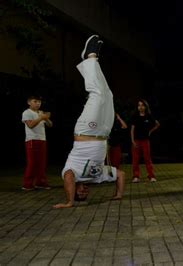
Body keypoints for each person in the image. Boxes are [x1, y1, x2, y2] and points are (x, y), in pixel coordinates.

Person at [53, 34, 125, 209]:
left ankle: (90, 57)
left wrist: (70, 201)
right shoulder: (98, 176)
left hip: (86, 130)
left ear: (75, 189)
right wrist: (118, 195)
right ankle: (93, 60)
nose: (84, 191)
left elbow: (68, 179)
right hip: (103, 132)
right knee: (108, 95)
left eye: (80, 193)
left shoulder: (71, 173)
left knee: (97, 94)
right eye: (85, 194)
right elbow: (121, 174)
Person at [21, 95, 53, 190]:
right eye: (35, 101)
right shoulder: (26, 112)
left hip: (42, 140)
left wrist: (46, 118)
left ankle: (41, 183)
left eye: (39, 102)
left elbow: (50, 125)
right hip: (31, 140)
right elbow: (30, 125)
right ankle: (27, 184)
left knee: (41, 163)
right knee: (32, 163)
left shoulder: (41, 112)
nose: (38, 103)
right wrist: (41, 118)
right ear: (29, 102)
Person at [130, 99, 160, 183]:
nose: (140, 107)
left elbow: (157, 124)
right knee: (135, 160)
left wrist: (150, 131)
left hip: (145, 141)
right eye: (139, 105)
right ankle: (136, 176)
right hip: (136, 141)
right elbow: (132, 130)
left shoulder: (149, 116)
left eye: (142, 105)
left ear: (145, 107)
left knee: (147, 159)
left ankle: (151, 176)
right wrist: (132, 141)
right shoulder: (135, 116)